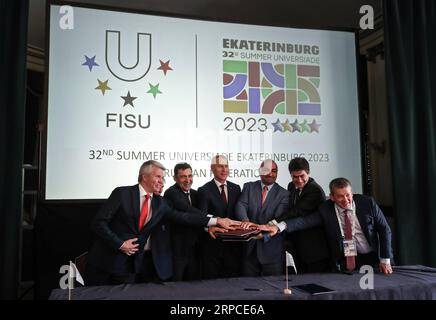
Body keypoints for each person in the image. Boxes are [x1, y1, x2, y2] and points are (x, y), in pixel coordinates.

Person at [85, 160, 240, 285]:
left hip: (131, 267)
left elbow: (184, 217)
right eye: (158, 177)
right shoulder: (122, 193)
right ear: (144, 176)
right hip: (105, 263)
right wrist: (120, 244)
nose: (161, 181)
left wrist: (216, 220)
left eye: (163, 178)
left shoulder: (160, 203)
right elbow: (98, 223)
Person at [261, 177, 393, 274]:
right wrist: (278, 227)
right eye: (340, 196)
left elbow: (384, 229)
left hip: (376, 257)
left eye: (348, 195)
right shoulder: (326, 209)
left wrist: (385, 259)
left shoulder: (367, 203)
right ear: (332, 197)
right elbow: (304, 221)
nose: (346, 200)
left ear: (352, 193)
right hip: (348, 261)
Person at [270, 157, 330, 273]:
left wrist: (273, 222)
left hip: (314, 247)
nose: (299, 180)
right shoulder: (291, 186)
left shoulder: (315, 190)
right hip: (297, 243)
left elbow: (296, 211)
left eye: (302, 176)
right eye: (295, 177)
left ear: (308, 173)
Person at [234, 159, 289, 276]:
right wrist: (245, 220)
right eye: (267, 170)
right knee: (248, 289)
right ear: (260, 171)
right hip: (250, 250)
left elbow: (278, 219)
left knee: (273, 291)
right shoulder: (249, 187)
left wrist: (262, 235)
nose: (270, 174)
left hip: (271, 253)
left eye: (274, 171)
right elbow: (241, 205)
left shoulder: (284, 194)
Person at [198, 155, 242, 278]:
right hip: (213, 245)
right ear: (212, 169)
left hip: (233, 246)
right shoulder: (204, 190)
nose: (224, 169)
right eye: (220, 166)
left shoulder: (236, 188)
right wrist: (209, 228)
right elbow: (202, 215)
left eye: (226, 166)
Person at [164, 162, 203, 281]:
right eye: (183, 176)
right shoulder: (171, 193)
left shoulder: (196, 194)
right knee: (177, 286)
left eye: (190, 176)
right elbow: (189, 211)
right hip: (178, 250)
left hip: (196, 248)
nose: (187, 180)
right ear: (175, 178)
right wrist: (215, 220)